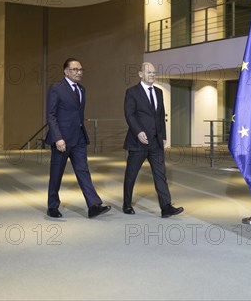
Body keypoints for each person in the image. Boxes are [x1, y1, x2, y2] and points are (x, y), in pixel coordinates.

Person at [45, 58, 111, 219]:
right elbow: (51, 115)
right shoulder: (56, 88)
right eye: (75, 69)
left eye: (80, 69)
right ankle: (52, 206)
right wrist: (58, 138)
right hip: (62, 140)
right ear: (66, 71)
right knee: (56, 174)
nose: (79, 72)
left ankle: (93, 206)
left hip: (79, 138)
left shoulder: (82, 89)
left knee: (83, 171)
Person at [123, 62, 183, 218]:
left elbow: (160, 115)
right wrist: (138, 132)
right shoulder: (132, 92)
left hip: (156, 142)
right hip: (138, 142)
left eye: (154, 73)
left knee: (160, 174)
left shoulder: (158, 92)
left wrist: (163, 137)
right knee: (131, 174)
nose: (152, 75)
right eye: (149, 72)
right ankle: (127, 204)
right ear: (140, 74)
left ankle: (166, 207)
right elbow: (129, 114)